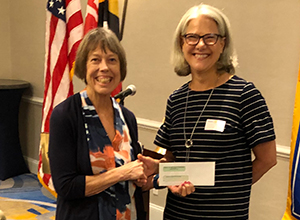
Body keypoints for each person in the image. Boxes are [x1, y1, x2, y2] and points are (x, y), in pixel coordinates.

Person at [139, 3, 277, 220]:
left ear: (223, 44)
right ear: (182, 43)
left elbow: (268, 159)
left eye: (210, 37)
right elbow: (172, 158)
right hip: (177, 214)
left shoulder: (245, 94)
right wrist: (158, 169)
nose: (200, 45)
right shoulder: (176, 99)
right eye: (192, 37)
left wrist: (228, 191)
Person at [48, 27, 147, 220]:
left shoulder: (128, 117)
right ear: (84, 67)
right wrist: (121, 173)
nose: (104, 68)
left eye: (112, 60)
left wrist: (150, 175)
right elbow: (66, 186)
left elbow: (133, 175)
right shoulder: (65, 115)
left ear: (121, 68)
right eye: (95, 60)